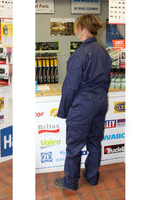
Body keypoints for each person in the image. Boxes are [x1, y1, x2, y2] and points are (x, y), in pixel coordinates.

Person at [53, 14, 112, 191]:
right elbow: (106, 81)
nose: (77, 31)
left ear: (85, 30)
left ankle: (70, 182)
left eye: (78, 28)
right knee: (95, 141)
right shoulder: (104, 52)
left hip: (82, 106)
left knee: (74, 145)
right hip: (100, 103)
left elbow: (70, 87)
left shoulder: (80, 54)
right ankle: (92, 177)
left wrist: (63, 111)